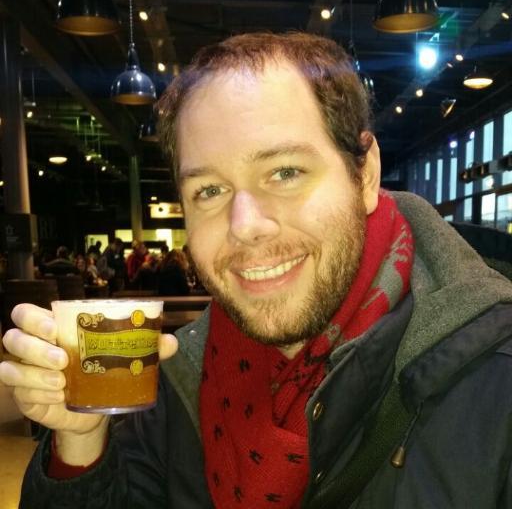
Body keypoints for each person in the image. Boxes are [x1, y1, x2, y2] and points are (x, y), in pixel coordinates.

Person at [1, 32, 512, 509]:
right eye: (209, 190)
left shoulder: (494, 383)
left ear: (365, 174)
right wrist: (81, 441)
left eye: (285, 172)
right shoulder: (178, 378)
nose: (244, 225)